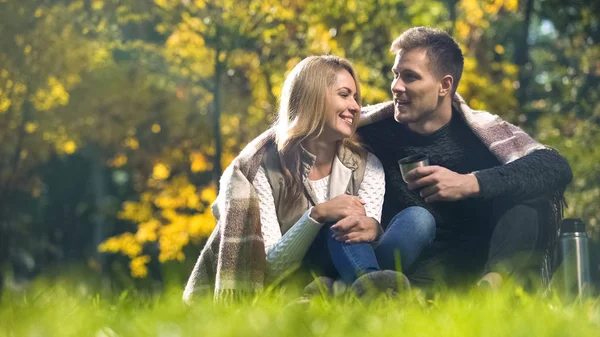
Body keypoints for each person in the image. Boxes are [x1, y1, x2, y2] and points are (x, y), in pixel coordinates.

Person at [183, 55, 435, 302]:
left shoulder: (368, 165)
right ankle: (372, 293)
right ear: (313, 98)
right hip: (297, 274)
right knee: (337, 219)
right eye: (345, 94)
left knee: (419, 219)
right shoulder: (262, 168)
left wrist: (376, 230)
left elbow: (361, 239)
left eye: (356, 98)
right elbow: (270, 267)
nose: (356, 107)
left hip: (352, 262)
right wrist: (317, 215)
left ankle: (346, 292)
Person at [356, 27, 573, 290]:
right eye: (396, 75)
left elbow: (555, 166)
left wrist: (470, 183)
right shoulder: (370, 132)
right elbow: (312, 130)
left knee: (530, 194)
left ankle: (491, 291)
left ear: (444, 85)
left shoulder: (484, 135)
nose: (396, 87)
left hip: (475, 269)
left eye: (410, 77)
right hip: (403, 269)